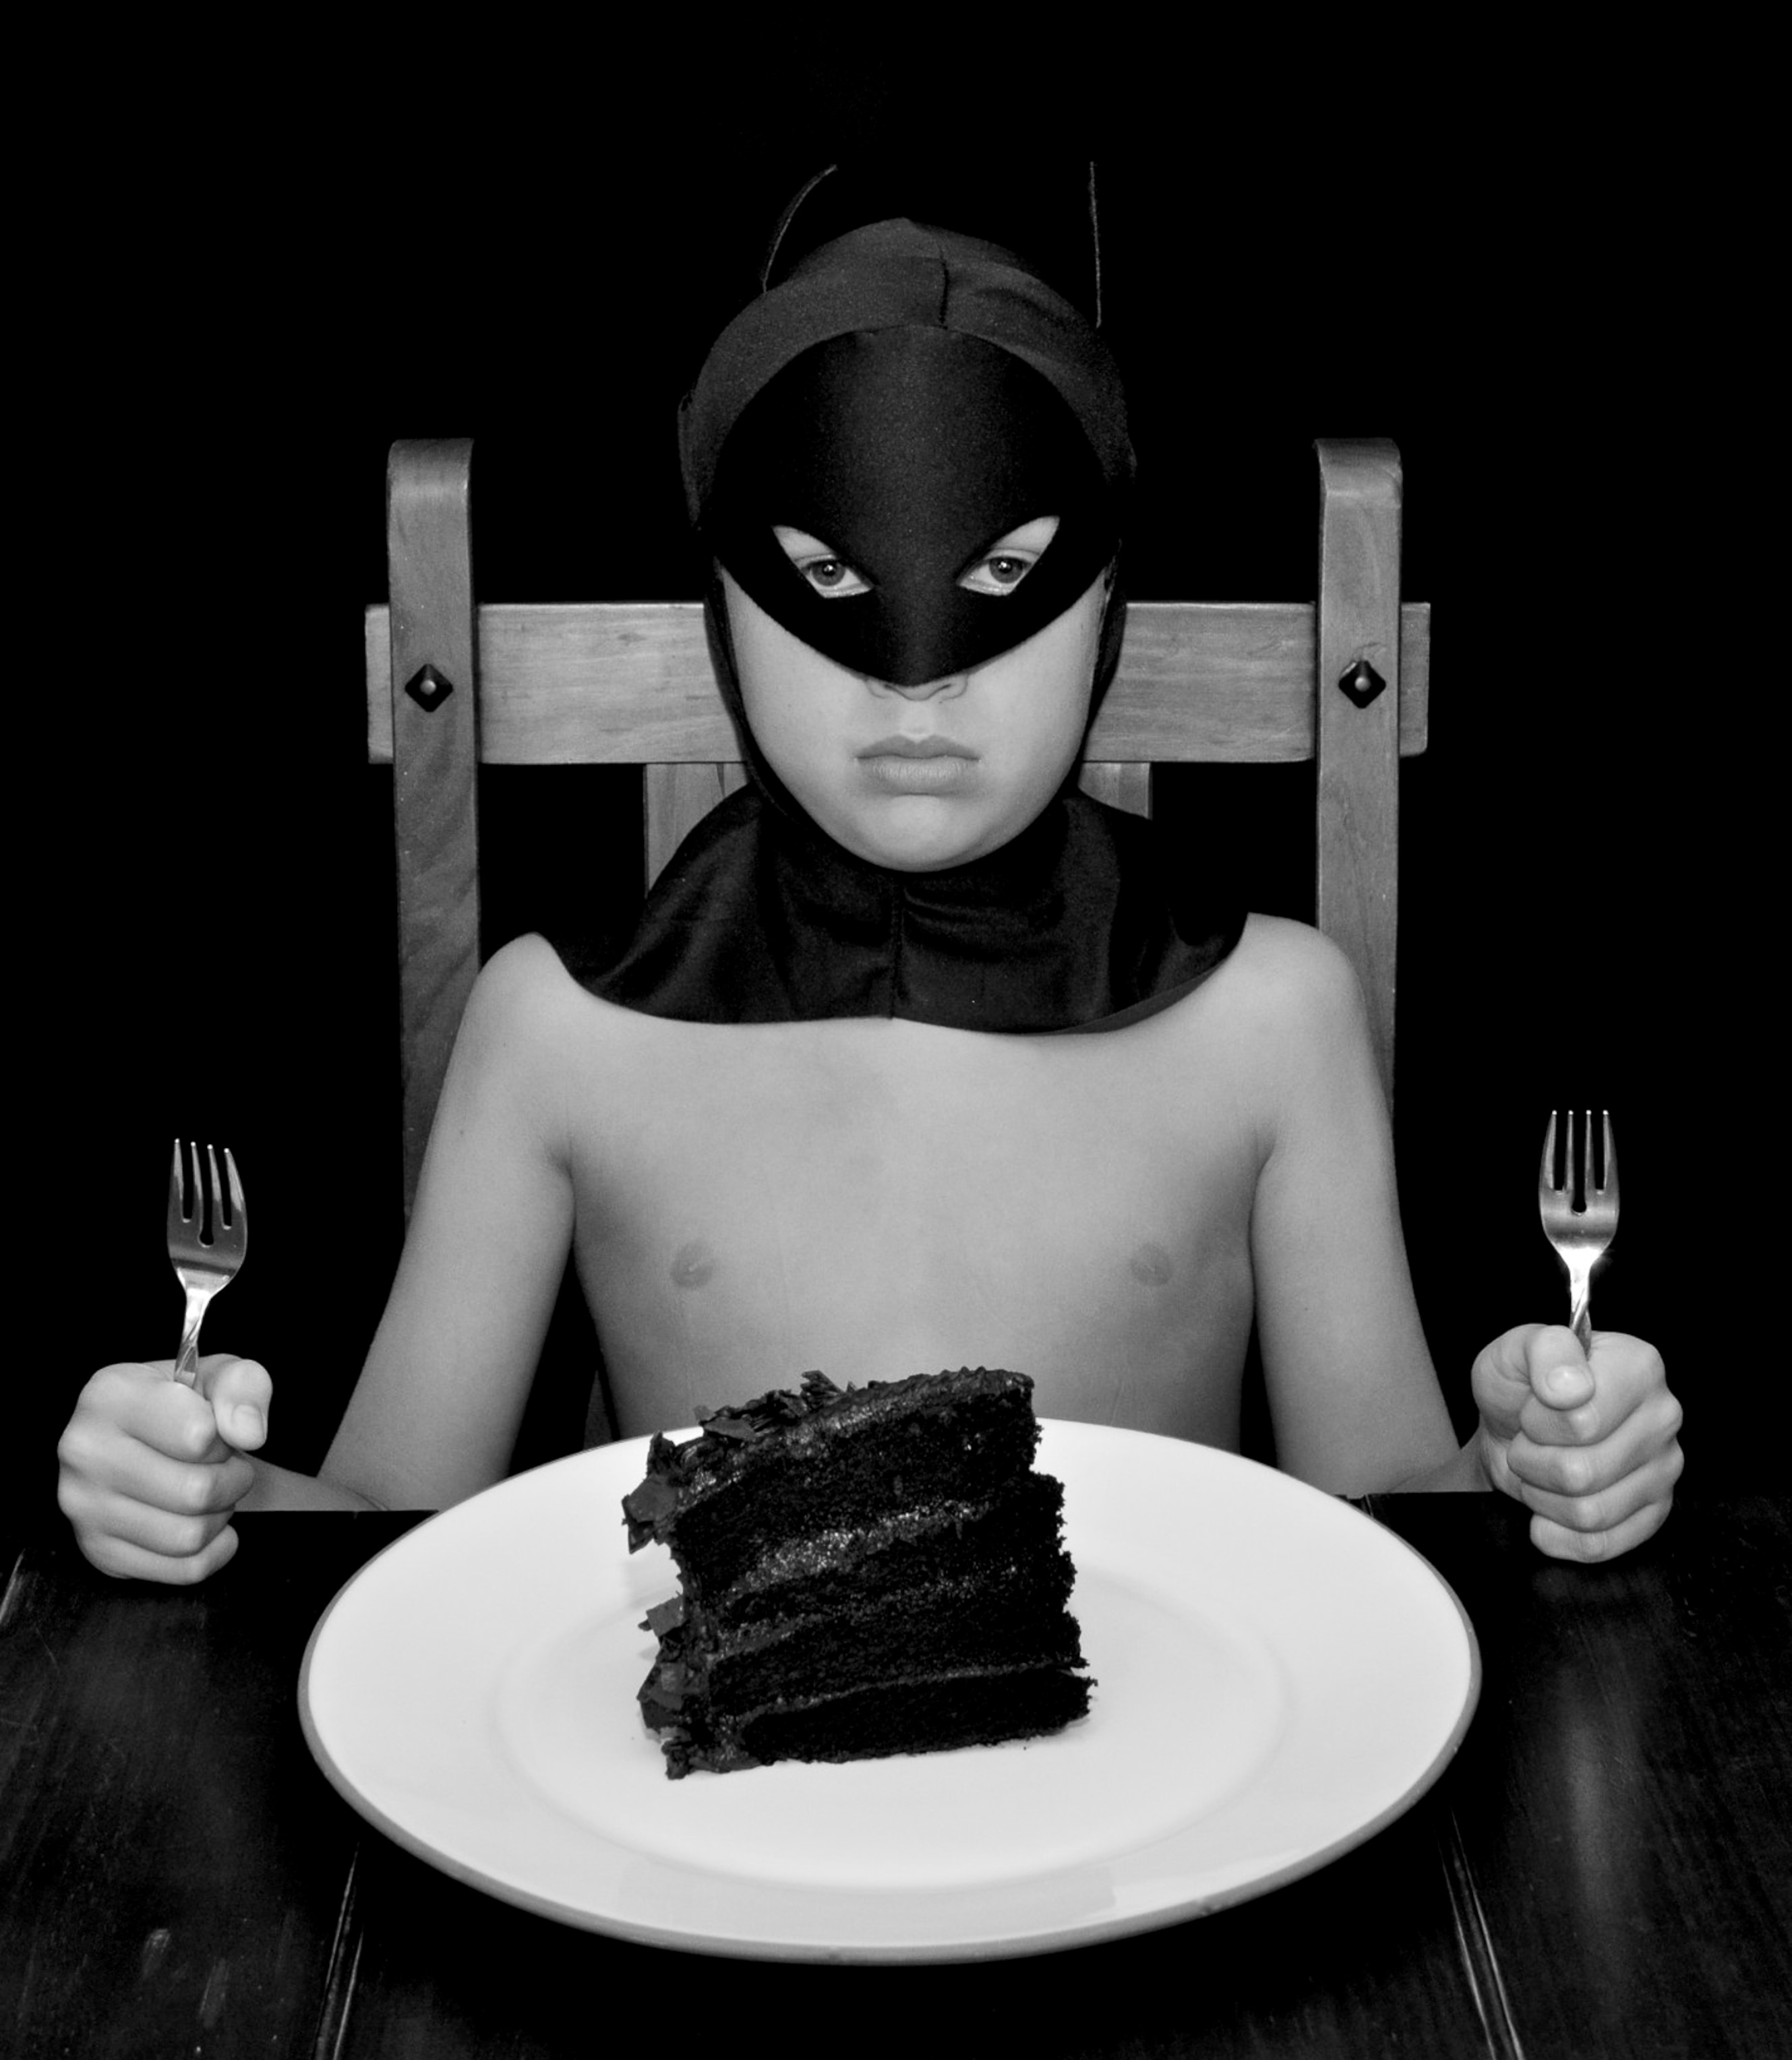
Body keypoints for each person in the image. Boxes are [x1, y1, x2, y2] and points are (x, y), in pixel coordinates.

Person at [57, 189, 1683, 1585]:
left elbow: (1375, 1548)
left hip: (1156, 1810)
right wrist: (201, 1495)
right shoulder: (560, 1033)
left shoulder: (1270, 1018)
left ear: (1103, 607)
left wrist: (1533, 1461)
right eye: (827, 581)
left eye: (1002, 584)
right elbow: (388, 1548)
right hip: (699, 1821)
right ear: (726, 613)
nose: (918, 696)